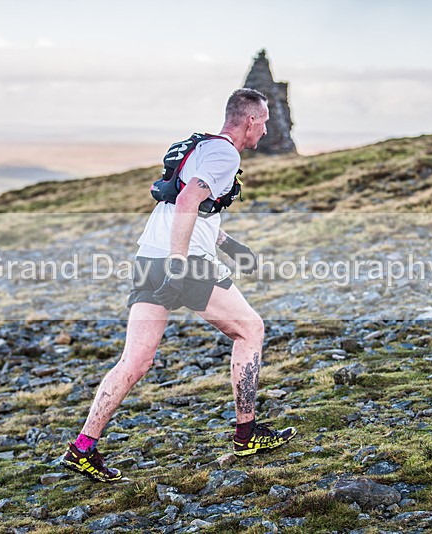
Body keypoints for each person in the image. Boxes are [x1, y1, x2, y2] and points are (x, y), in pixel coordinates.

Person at [61, 88, 297, 482]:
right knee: (250, 329)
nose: (267, 129)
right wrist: (179, 264)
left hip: (148, 258)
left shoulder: (204, 146)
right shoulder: (227, 155)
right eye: (265, 121)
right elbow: (188, 202)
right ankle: (246, 433)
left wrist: (225, 243)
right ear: (251, 121)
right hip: (182, 263)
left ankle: (82, 447)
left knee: (134, 361)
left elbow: (191, 208)